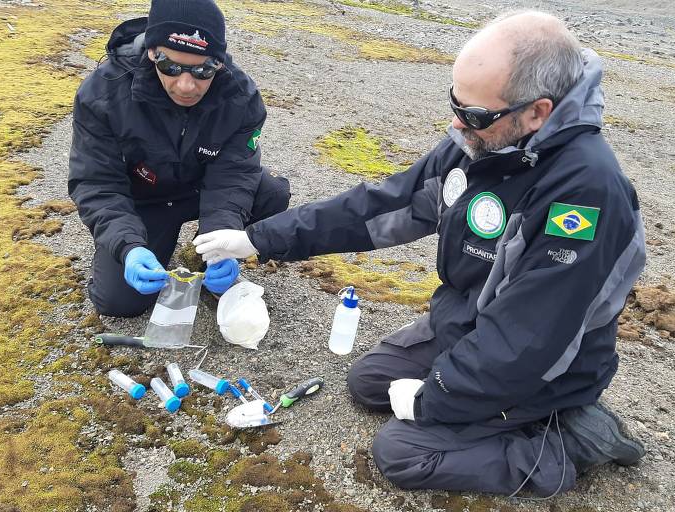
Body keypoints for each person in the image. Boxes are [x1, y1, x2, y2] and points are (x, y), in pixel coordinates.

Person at [192, 10, 647, 497]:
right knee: (369, 384)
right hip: (467, 323)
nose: (456, 123)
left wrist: (435, 398)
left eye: (473, 115)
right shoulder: (485, 143)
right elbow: (386, 205)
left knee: (403, 453)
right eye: (455, 102)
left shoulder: (585, 195)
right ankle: (484, 402)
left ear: (537, 112)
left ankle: (568, 444)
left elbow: (527, 340)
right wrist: (261, 239)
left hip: (546, 367)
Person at [68, 0, 290, 317]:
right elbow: (95, 181)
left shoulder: (240, 97)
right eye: (170, 67)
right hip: (145, 199)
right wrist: (128, 245)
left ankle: (201, 254)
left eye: (203, 70)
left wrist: (222, 244)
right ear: (152, 53)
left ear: (220, 62)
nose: (186, 85)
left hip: (200, 189)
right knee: (118, 302)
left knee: (272, 194)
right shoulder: (103, 92)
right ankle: (142, 244)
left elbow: (233, 178)